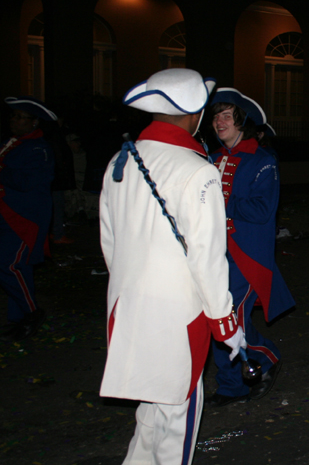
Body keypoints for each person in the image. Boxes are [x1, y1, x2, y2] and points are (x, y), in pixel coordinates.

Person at [99, 69, 245, 464]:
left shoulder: (119, 160)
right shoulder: (199, 171)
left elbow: (110, 243)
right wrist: (226, 325)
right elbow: (209, 259)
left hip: (127, 307)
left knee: (150, 414)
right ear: (194, 113)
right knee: (177, 422)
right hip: (178, 315)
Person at [206, 88, 295, 407]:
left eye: (226, 116)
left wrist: (223, 202)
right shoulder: (212, 159)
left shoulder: (262, 160)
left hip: (246, 257)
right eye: (216, 116)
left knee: (230, 320)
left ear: (241, 121)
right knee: (216, 318)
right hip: (213, 254)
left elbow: (262, 210)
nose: (219, 121)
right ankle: (231, 384)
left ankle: (265, 358)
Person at [0, 97, 56, 341]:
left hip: (25, 217)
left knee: (9, 265)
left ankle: (32, 312)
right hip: (7, 214)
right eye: (14, 117)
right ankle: (20, 318)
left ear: (34, 122)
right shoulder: (13, 143)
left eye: (21, 117)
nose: (15, 121)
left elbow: (26, 182)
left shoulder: (38, 149)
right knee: (18, 268)